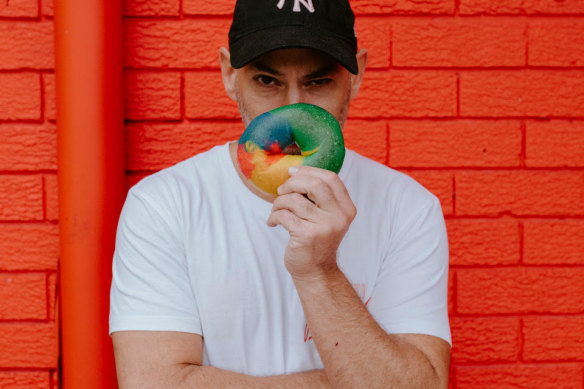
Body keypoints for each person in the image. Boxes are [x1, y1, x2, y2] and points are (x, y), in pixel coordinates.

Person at [109, 0, 451, 387]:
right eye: (267, 81)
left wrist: (319, 270)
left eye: (318, 82)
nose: (294, 109)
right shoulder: (165, 205)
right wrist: (347, 379)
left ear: (356, 77)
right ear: (229, 75)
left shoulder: (406, 208)